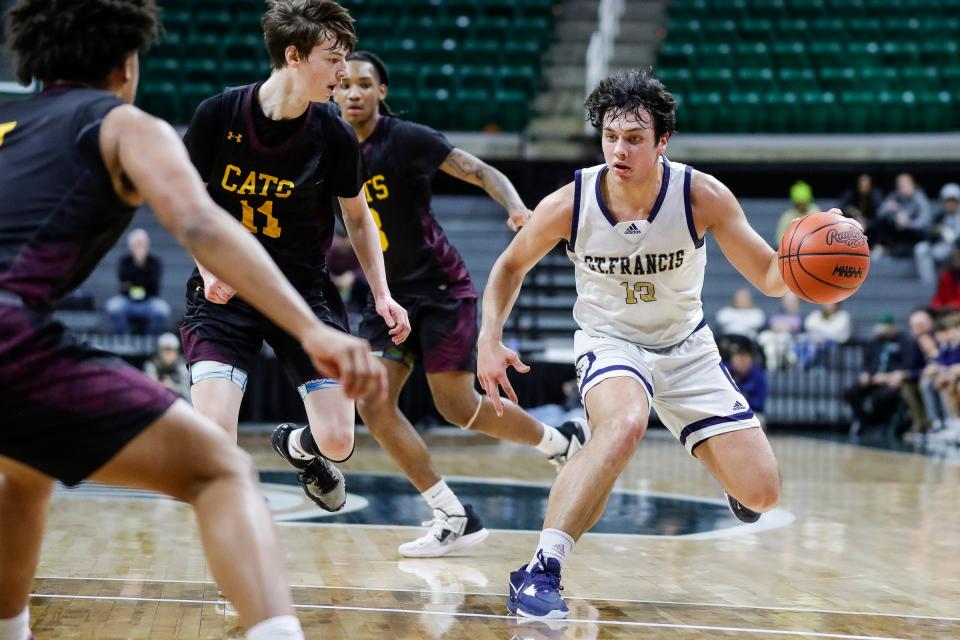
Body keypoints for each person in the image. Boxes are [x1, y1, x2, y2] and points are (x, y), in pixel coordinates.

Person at [0, 2, 386, 639]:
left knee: (24, 468)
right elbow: (202, 222)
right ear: (127, 65)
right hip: (19, 333)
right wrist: (315, 330)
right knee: (219, 465)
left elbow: (351, 215)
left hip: (296, 284)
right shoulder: (128, 123)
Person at [477, 70, 795, 619]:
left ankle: (731, 477)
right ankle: (540, 569)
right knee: (624, 423)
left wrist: (808, 257)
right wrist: (488, 337)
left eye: (634, 139)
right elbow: (509, 266)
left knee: (764, 494)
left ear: (662, 141)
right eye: (610, 136)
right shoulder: (569, 202)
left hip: (688, 349)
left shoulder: (701, 195)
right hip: (611, 343)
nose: (618, 149)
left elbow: (769, 275)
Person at [332, 51, 589, 557]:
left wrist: (515, 206)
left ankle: (559, 443)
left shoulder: (407, 139)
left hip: (442, 289)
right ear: (334, 91)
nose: (354, 92)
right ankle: (453, 514)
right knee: (373, 402)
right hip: (389, 296)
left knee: (456, 406)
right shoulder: (330, 145)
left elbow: (479, 170)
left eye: (365, 84)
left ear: (382, 91)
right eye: (345, 85)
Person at [178, 1, 410, 514]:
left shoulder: (333, 135)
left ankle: (299, 448)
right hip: (226, 296)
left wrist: (383, 295)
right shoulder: (218, 114)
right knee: (215, 438)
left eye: (345, 58)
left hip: (302, 297)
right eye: (332, 58)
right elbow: (185, 203)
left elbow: (358, 219)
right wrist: (207, 267)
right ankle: (235, 564)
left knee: (337, 440)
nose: (344, 72)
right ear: (293, 55)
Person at [104, 227, 171, 334]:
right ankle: (124, 340)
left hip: (149, 301)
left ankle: (152, 341)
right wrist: (139, 270)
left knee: (161, 310)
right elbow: (123, 285)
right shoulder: (124, 261)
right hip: (128, 301)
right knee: (114, 307)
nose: (139, 247)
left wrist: (136, 277)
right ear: (130, 246)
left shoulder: (155, 262)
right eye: (136, 244)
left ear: (147, 245)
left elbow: (154, 284)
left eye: (142, 244)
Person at [871, 173, 932, 258]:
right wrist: (887, 208)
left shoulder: (919, 199)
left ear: (912, 185)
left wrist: (908, 223)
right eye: (899, 186)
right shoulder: (895, 196)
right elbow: (878, 215)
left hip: (914, 236)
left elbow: (925, 224)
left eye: (905, 186)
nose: (901, 189)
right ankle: (880, 248)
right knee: (883, 222)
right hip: (897, 235)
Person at [913, 183, 960, 284]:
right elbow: (929, 234)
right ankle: (928, 283)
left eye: (953, 201)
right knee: (921, 249)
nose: (950, 204)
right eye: (947, 201)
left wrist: (948, 233)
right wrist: (936, 232)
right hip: (942, 247)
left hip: (956, 249)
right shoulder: (939, 215)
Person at [143, 332, 190, 399]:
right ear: (159, 351)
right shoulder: (151, 365)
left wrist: (172, 387)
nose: (168, 354)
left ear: (176, 352)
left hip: (178, 402)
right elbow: (148, 390)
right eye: (165, 350)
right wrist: (159, 386)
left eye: (171, 350)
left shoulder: (183, 367)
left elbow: (188, 393)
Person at [774, 180, 819, 245]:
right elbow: (780, 239)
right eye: (799, 203)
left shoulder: (815, 212)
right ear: (795, 203)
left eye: (804, 203)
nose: (802, 206)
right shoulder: (787, 217)